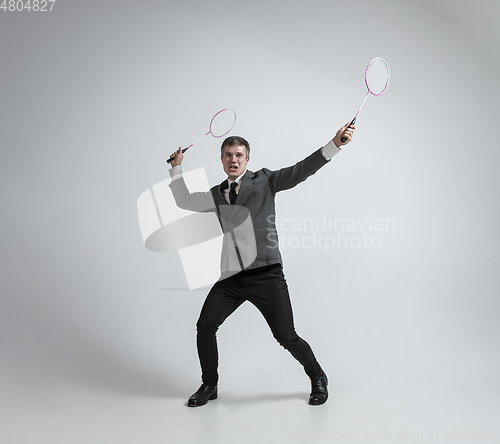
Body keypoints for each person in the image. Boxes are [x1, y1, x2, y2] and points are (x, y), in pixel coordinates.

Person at [168, 121, 355, 407]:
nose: (233, 160)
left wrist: (334, 145)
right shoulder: (217, 194)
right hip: (231, 278)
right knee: (205, 325)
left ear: (247, 160)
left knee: (286, 336)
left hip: (266, 274)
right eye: (228, 155)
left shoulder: (265, 181)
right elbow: (183, 200)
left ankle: (317, 374)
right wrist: (177, 167)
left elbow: (299, 171)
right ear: (221, 160)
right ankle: (210, 384)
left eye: (239, 155)